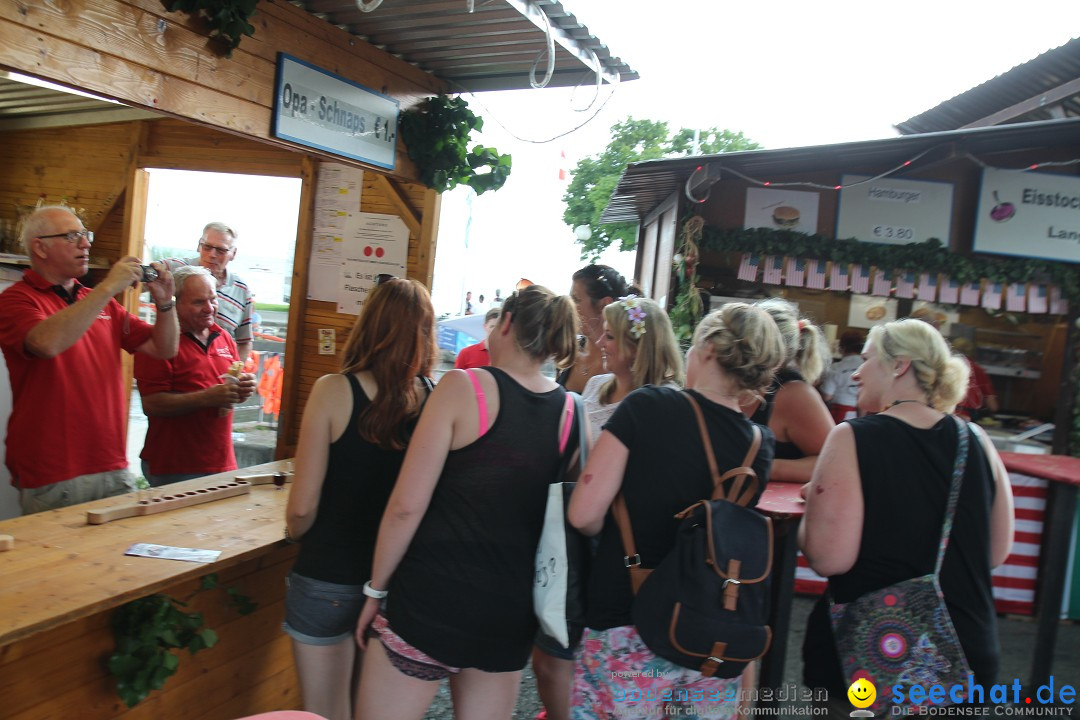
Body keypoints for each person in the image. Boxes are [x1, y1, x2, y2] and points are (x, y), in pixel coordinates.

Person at [353, 285, 580, 720]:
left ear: (507, 324)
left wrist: (374, 589)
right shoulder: (571, 411)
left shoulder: (464, 387)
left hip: (432, 600)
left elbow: (406, 505)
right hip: (508, 613)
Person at [566, 302, 785, 719]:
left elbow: (583, 514)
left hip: (626, 616)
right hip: (706, 631)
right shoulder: (760, 444)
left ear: (705, 349)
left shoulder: (647, 406)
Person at [799, 319, 1014, 710]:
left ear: (900, 366)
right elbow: (996, 551)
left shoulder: (853, 436)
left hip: (871, 656)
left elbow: (828, 557)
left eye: (867, 360)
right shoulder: (975, 440)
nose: (858, 372)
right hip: (963, 654)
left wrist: (812, 508)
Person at [283, 278, 437, 720]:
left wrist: (293, 533)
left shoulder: (334, 390)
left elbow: (301, 508)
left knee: (325, 712)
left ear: (368, 323)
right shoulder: (433, 397)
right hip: (394, 584)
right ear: (423, 331)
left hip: (327, 576)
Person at [532, 294, 685, 720]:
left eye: (612, 336)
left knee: (589, 650)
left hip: (617, 540)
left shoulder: (666, 400)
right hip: (574, 528)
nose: (600, 341)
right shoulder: (598, 386)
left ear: (639, 347)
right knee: (553, 643)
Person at [0, 205, 178, 514]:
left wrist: (165, 302)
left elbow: (164, 349)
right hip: (54, 468)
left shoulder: (97, 302)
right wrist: (109, 286)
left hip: (110, 461)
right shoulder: (17, 299)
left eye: (86, 235)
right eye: (72, 237)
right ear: (40, 247)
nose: (86, 244)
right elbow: (46, 343)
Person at [134, 266, 256, 486]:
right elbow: (152, 404)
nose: (209, 308)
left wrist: (243, 388)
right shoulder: (158, 343)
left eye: (213, 299)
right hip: (175, 467)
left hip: (222, 462)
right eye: (199, 302)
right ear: (175, 303)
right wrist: (207, 398)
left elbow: (228, 390)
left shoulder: (224, 337)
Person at [748, 298, 833, 482]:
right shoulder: (729, 379)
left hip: (764, 507)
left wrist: (762, 467)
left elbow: (833, 463)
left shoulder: (794, 395)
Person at [163, 222, 253, 362]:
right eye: (207, 247)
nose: (212, 254)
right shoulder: (176, 269)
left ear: (233, 254)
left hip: (220, 375)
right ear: (199, 246)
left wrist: (234, 373)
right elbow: (138, 279)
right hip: (176, 367)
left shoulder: (241, 289)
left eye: (221, 250)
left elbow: (245, 340)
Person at [560, 264, 632, 394]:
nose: (569, 307)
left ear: (604, 304)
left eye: (576, 299)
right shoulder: (569, 352)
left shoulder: (622, 363)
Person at [819, 329, 864, 423]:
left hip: (840, 413)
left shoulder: (837, 368)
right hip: (862, 414)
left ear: (842, 347)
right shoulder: (866, 367)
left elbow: (826, 396)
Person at [951, 336, 1000, 420]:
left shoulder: (947, 367)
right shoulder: (978, 370)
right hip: (969, 416)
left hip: (948, 413)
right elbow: (993, 406)